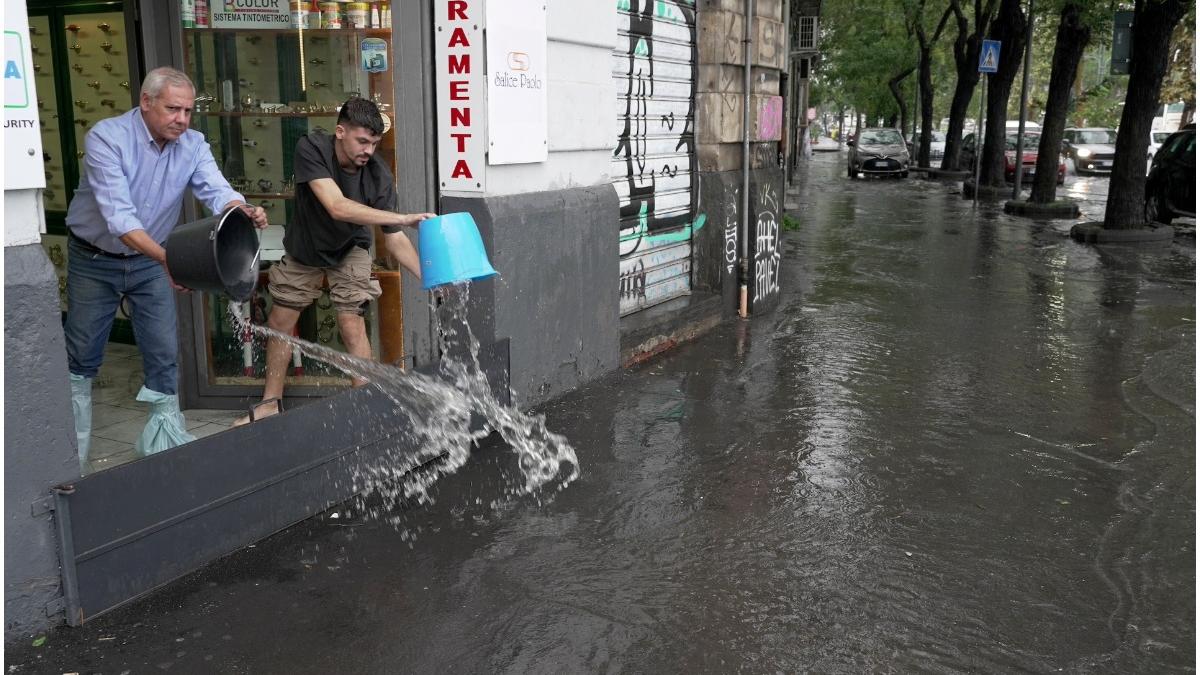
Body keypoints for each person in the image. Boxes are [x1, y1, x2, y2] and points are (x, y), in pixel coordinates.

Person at [64, 66, 269, 470]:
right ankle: (73, 461)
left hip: (148, 262)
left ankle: (166, 455)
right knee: (82, 357)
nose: (182, 119)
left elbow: (216, 189)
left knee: (163, 354)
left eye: (189, 111)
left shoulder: (192, 144)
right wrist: (169, 262)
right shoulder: (107, 138)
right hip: (94, 259)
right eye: (173, 109)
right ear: (145, 102)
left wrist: (241, 210)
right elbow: (120, 219)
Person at [236, 97, 435, 425]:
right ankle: (270, 403)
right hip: (306, 248)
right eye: (362, 141)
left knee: (351, 321)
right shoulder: (312, 148)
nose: (368, 150)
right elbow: (336, 205)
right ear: (340, 131)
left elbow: (395, 240)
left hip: (350, 247)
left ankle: (367, 406)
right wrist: (401, 217)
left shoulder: (378, 176)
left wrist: (430, 279)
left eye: (374, 143)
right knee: (280, 322)